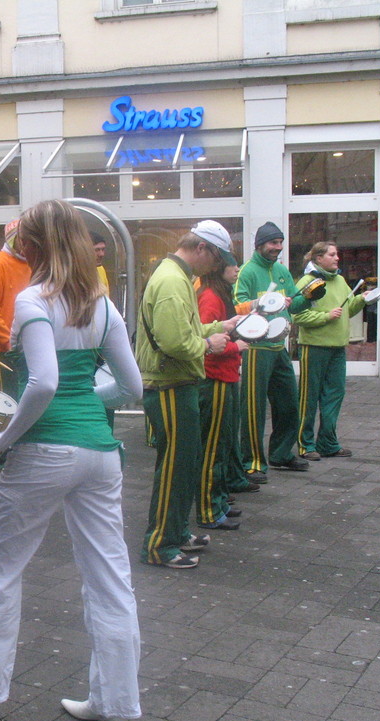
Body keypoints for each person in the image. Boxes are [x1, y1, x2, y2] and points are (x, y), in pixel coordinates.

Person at [0, 199, 143, 721]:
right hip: (100, 453)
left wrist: (1, 439)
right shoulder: (102, 304)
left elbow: (44, 382)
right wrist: (84, 399)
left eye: (20, 240)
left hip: (44, 451)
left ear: (33, 246)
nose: (15, 247)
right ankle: (116, 703)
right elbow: (131, 384)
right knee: (110, 577)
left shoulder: (33, 300)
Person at [136, 221, 239, 569]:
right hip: (169, 385)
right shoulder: (171, 280)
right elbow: (175, 342)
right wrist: (209, 343)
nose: (217, 267)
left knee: (183, 466)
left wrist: (216, 328)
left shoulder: (174, 276)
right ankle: (160, 545)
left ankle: (176, 533)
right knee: (175, 469)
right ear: (202, 249)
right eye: (217, 258)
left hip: (175, 384)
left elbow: (181, 331)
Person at [234, 221, 313, 483]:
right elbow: (237, 307)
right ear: (259, 245)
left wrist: (310, 295)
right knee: (254, 409)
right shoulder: (246, 271)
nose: (277, 248)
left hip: (280, 346)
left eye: (280, 243)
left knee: (288, 404)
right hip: (256, 348)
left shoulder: (281, 270)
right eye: (272, 243)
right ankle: (253, 462)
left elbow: (294, 304)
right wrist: (262, 304)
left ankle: (280, 454)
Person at [292, 241, 366, 460]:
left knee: (334, 395)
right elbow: (297, 315)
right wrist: (325, 316)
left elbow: (347, 309)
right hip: (313, 348)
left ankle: (328, 443)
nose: (337, 258)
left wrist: (362, 299)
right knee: (308, 397)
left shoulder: (341, 280)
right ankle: (306, 445)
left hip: (337, 348)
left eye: (337, 254)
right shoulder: (307, 282)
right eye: (332, 255)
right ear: (318, 258)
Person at [195, 251, 249, 531]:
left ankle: (218, 501)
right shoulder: (211, 297)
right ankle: (208, 509)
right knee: (212, 447)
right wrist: (235, 347)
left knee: (223, 444)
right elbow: (205, 340)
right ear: (219, 268)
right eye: (232, 264)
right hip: (214, 377)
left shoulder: (221, 294)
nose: (237, 269)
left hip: (224, 375)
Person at [0, 218, 30, 397]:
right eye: (22, 239)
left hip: (31, 345)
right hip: (5, 349)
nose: (26, 244)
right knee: (10, 398)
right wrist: (7, 342)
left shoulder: (34, 262)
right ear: (12, 240)